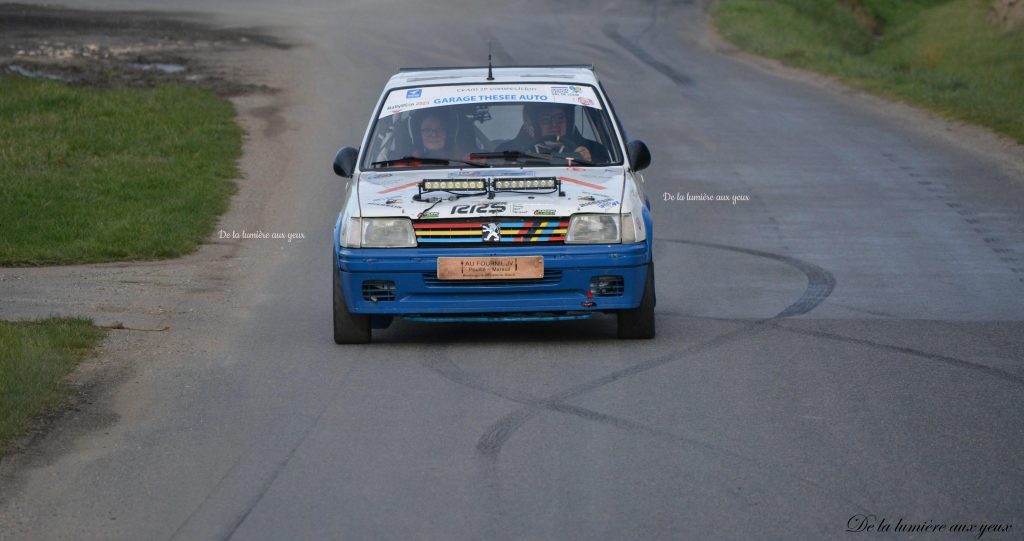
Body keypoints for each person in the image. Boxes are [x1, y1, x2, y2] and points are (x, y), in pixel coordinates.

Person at [498, 103, 607, 163]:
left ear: (569, 122)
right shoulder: (507, 151)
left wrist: (589, 161)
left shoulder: (594, 150)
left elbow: (609, 174)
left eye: (559, 118)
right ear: (533, 124)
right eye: (546, 119)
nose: (554, 124)